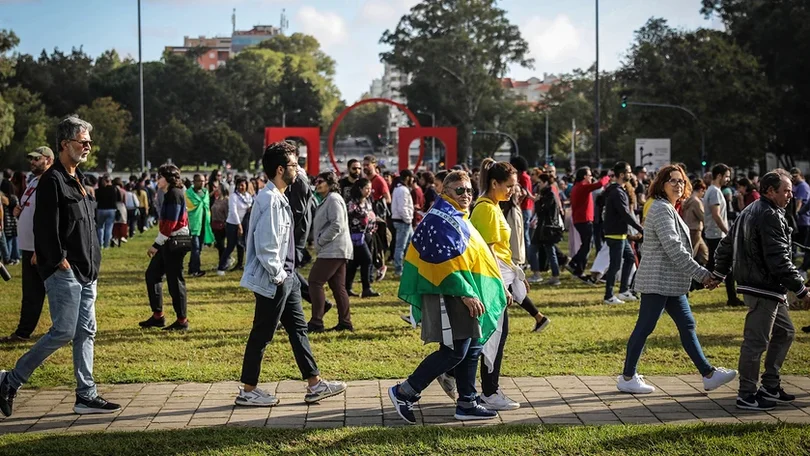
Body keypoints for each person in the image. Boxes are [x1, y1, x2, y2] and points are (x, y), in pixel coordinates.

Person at [0, 115, 121, 417]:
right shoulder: (51, 180)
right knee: (64, 331)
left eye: (90, 142)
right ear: (66, 144)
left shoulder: (77, 178)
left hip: (87, 271)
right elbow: (46, 228)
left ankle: (86, 395)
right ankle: (10, 381)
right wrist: (59, 262)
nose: (88, 147)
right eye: (83, 141)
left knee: (86, 332)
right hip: (65, 272)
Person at [235, 141, 347, 407]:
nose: (298, 170)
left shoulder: (280, 195)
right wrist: (279, 276)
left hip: (289, 277)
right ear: (279, 169)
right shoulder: (271, 199)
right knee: (262, 334)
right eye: (294, 165)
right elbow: (266, 246)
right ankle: (248, 390)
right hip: (276, 279)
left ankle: (315, 384)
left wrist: (288, 276)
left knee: (298, 329)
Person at [390, 171, 506, 424]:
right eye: (459, 190)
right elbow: (443, 262)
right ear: (445, 192)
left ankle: (467, 402)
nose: (466, 195)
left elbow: (475, 256)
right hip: (451, 292)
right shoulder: (440, 219)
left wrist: (494, 285)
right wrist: (465, 293)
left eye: (468, 190)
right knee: (455, 351)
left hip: (466, 290)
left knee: (472, 346)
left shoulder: (457, 215)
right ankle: (404, 392)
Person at [618, 164, 737, 394]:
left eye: (681, 181)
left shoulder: (671, 208)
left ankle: (708, 374)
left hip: (670, 282)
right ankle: (628, 377)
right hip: (658, 281)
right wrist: (703, 274)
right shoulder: (662, 209)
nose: (678, 184)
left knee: (687, 324)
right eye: (672, 180)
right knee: (645, 327)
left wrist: (701, 275)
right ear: (661, 184)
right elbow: (674, 249)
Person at [713, 169, 810, 411]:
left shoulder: (752, 209)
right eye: (786, 190)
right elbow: (778, 259)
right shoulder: (768, 214)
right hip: (763, 287)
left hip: (764, 286)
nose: (790, 195)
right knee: (755, 343)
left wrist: (719, 273)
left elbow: (727, 244)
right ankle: (746, 394)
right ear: (770, 191)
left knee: (786, 332)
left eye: (790, 190)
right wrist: (801, 290)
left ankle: (769, 385)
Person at [469, 158, 522, 411]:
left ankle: (486, 387)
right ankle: (489, 391)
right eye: (509, 185)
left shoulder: (493, 206)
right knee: (493, 336)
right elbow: (488, 252)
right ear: (494, 183)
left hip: (498, 276)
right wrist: (500, 286)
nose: (513, 190)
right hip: (490, 280)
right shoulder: (487, 209)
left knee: (492, 336)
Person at [1, 147, 54, 343]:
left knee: (55, 291)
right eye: (30, 159)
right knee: (31, 292)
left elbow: (49, 217)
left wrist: (40, 248)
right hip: (29, 246)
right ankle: (23, 332)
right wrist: (18, 210)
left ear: (47, 160)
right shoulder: (33, 182)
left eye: (36, 159)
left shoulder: (50, 181)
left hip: (40, 248)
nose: (31, 162)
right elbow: (28, 208)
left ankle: (64, 331)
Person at [140, 164, 191, 332]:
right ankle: (158, 316)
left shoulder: (174, 194)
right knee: (152, 275)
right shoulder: (169, 193)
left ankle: (182, 320)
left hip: (174, 241)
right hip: (168, 240)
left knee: (175, 281)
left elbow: (171, 223)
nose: (157, 180)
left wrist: (156, 244)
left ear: (168, 178)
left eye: (160, 176)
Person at [307, 171, 354, 333]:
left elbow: (337, 224)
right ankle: (345, 323)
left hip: (333, 249)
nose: (317, 184)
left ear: (330, 183)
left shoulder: (333, 199)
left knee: (314, 281)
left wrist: (320, 240)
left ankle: (316, 322)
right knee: (338, 287)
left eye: (321, 181)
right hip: (335, 249)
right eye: (316, 181)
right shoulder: (327, 199)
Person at [602, 162, 644, 304]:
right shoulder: (617, 192)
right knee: (615, 265)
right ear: (621, 175)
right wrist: (640, 228)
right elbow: (625, 214)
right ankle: (609, 296)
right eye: (628, 171)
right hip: (615, 234)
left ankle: (624, 291)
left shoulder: (619, 190)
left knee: (630, 258)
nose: (630, 174)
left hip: (621, 233)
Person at [704, 164, 743, 307]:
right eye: (726, 176)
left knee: (719, 266)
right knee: (721, 267)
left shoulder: (714, 190)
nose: (728, 179)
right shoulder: (714, 192)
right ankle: (732, 298)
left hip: (715, 233)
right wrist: (728, 232)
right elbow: (716, 215)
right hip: (716, 234)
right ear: (719, 176)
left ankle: (732, 297)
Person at [568, 167, 611, 282]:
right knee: (587, 245)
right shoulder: (582, 187)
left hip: (581, 220)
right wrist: (608, 176)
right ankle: (574, 263)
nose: (591, 177)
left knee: (586, 245)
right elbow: (600, 184)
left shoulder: (577, 187)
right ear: (584, 177)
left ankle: (578, 269)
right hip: (584, 220)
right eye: (589, 175)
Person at [345, 178, 379, 298]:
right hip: (356, 235)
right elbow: (353, 216)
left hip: (369, 234)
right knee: (367, 260)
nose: (369, 191)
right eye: (366, 189)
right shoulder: (352, 202)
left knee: (354, 263)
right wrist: (366, 217)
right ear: (360, 189)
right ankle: (366, 288)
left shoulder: (368, 200)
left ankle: (347, 287)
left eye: (370, 189)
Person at [217, 177, 253, 275]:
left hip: (244, 223)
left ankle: (240, 264)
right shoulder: (234, 196)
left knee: (241, 245)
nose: (241, 187)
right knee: (230, 246)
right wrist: (239, 225)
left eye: (243, 185)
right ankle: (221, 267)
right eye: (239, 185)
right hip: (233, 224)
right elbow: (234, 211)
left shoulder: (248, 196)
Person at [533, 173, 563, 287]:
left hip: (548, 228)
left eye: (540, 182)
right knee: (551, 252)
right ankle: (556, 274)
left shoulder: (549, 194)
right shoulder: (548, 194)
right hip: (547, 227)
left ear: (545, 182)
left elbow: (542, 212)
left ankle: (556, 276)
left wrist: (537, 201)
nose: (539, 185)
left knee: (551, 252)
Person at [364, 155, 391, 281]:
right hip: (366, 218)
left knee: (375, 246)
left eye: (367, 165)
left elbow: (388, 198)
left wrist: (377, 201)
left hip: (377, 219)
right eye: (363, 165)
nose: (365, 167)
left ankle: (380, 266)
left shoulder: (379, 180)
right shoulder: (365, 180)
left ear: (374, 165)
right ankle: (369, 274)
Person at [185, 174, 214, 278]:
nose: (202, 183)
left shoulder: (205, 192)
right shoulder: (188, 194)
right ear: (194, 181)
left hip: (204, 225)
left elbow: (207, 206)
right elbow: (188, 208)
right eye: (199, 181)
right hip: (193, 225)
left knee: (199, 248)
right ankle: (195, 270)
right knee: (195, 248)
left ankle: (191, 267)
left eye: (203, 181)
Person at [391, 169, 415, 277]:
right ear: (408, 177)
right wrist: (408, 219)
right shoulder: (403, 190)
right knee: (401, 246)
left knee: (412, 245)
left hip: (403, 221)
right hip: (403, 221)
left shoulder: (398, 189)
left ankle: (409, 267)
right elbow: (402, 208)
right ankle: (398, 269)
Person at [681, 179, 709, 266]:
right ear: (701, 190)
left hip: (689, 228)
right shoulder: (697, 202)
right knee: (692, 253)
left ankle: (706, 266)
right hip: (695, 229)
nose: (703, 194)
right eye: (703, 192)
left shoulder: (688, 200)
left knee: (703, 251)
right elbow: (702, 216)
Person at [95, 175, 117, 249]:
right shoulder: (113, 189)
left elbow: (96, 199)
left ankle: (100, 244)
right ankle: (106, 245)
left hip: (100, 209)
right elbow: (116, 199)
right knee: (109, 228)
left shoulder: (99, 190)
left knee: (100, 227)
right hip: (111, 209)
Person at [1, 180, 19, 265]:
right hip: (14, 221)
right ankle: (15, 256)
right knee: (13, 240)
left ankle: (8, 258)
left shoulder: (3, 198)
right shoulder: (14, 198)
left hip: (5, 221)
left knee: (7, 241)